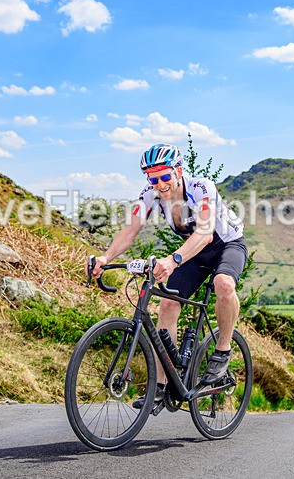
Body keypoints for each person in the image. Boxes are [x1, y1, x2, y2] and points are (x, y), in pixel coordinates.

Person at [88, 143, 247, 409]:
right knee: (168, 303)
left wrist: (173, 261)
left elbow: (206, 233)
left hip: (225, 245)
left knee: (223, 284)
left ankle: (223, 349)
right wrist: (106, 257)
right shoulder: (149, 195)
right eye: (153, 178)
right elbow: (131, 230)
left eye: (164, 176)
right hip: (193, 251)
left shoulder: (201, 188)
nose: (160, 184)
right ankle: (162, 387)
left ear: (178, 171)